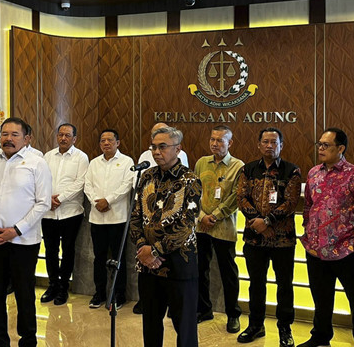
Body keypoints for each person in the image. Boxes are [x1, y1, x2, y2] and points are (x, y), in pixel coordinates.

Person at [0, 117, 52, 347]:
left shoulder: (36, 163)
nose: (8, 139)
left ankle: (28, 340)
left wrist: (15, 230)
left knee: (24, 294)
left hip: (23, 241)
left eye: (14, 134)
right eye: (4, 134)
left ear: (27, 138)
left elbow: (43, 203)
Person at [298, 128, 354, 347]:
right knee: (321, 298)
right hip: (316, 249)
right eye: (319, 144)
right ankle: (321, 337)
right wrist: (308, 232)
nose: (321, 149)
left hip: (345, 250)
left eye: (326, 145)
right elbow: (309, 206)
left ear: (340, 148)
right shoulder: (314, 173)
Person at [129, 126, 202, 347]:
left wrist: (155, 251)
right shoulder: (147, 177)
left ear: (178, 149)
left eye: (163, 147)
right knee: (151, 323)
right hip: (148, 266)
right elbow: (135, 216)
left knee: (185, 326)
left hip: (179, 264)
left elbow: (186, 225)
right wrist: (143, 248)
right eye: (154, 147)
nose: (156, 152)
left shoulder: (190, 180)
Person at [236, 127, 301, 346]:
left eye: (274, 142)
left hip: (282, 240)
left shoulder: (292, 171)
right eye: (265, 141)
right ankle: (256, 325)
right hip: (254, 239)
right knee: (256, 284)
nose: (269, 146)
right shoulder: (248, 169)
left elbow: (291, 202)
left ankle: (285, 328)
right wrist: (257, 222)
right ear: (258, 144)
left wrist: (267, 222)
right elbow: (241, 198)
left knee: (284, 285)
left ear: (281, 145)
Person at [193, 125, 244, 333]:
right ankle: (204, 309)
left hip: (224, 227)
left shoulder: (238, 166)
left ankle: (233, 315)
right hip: (201, 226)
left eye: (220, 140)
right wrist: (203, 216)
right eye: (212, 139)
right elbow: (194, 190)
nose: (215, 143)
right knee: (199, 270)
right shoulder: (201, 163)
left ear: (229, 143)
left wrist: (216, 215)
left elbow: (236, 197)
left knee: (228, 273)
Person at [83, 128, 134, 309]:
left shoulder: (127, 161)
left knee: (119, 258)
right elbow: (87, 185)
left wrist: (108, 201)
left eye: (110, 140)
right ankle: (99, 294)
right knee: (99, 258)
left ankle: (119, 295)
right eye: (103, 140)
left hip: (117, 218)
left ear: (117, 143)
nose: (106, 143)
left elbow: (127, 185)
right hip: (97, 218)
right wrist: (96, 201)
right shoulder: (94, 163)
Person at [40, 123, 89, 305]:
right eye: (60, 134)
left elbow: (80, 183)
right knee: (50, 251)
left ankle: (63, 288)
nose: (63, 138)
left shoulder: (81, 157)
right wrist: (47, 199)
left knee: (68, 251)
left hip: (71, 212)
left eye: (67, 135)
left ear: (74, 139)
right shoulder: (48, 156)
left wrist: (59, 198)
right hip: (48, 213)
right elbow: (41, 179)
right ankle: (52, 284)